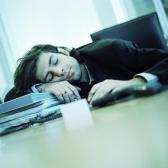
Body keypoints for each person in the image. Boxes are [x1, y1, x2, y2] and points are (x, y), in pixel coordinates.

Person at [5, 39, 168, 104]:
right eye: (50, 76)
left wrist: (134, 83)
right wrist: (42, 88)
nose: (59, 71)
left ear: (62, 51)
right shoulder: (62, 87)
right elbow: (10, 97)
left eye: (54, 61)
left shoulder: (111, 49)